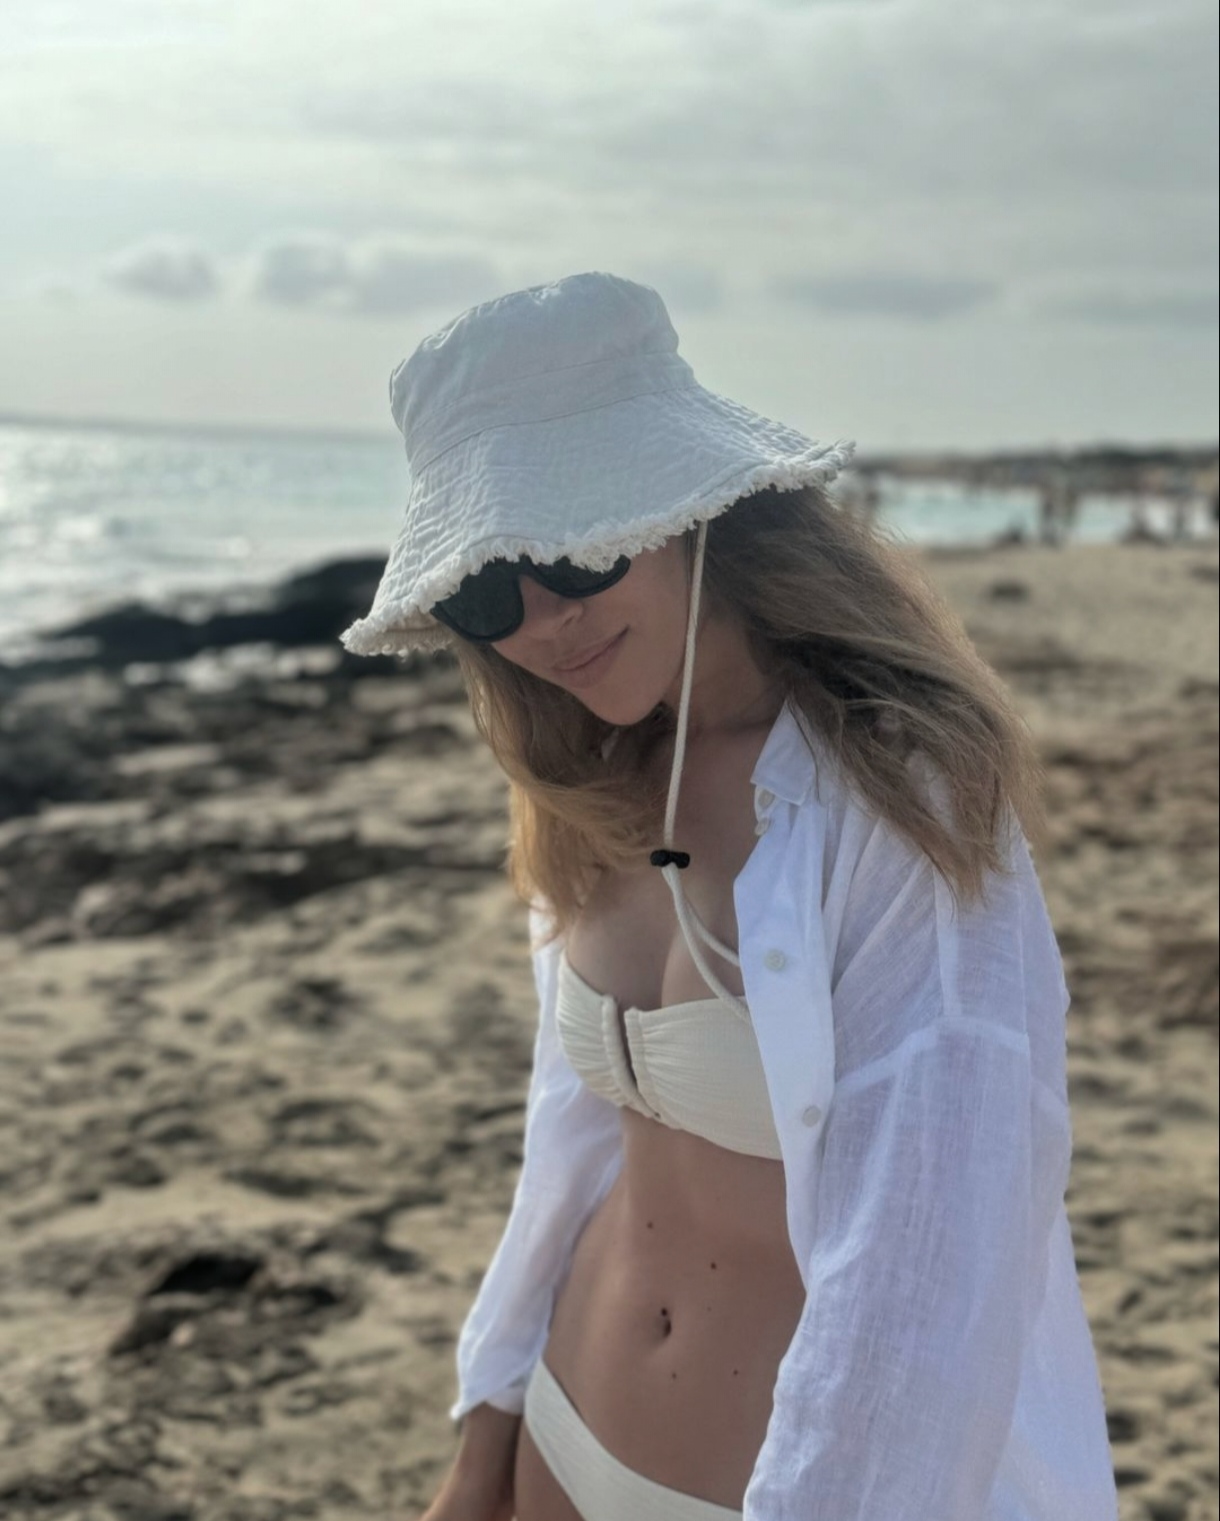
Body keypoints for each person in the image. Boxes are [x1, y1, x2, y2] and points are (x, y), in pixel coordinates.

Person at [341, 272, 1119, 1520]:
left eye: (572, 548)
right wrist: (485, 1428)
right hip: (557, 1434)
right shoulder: (590, 779)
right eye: (486, 588)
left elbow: (931, 1265)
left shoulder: (898, 795)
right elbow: (571, 1148)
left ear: (686, 513)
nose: (542, 622)